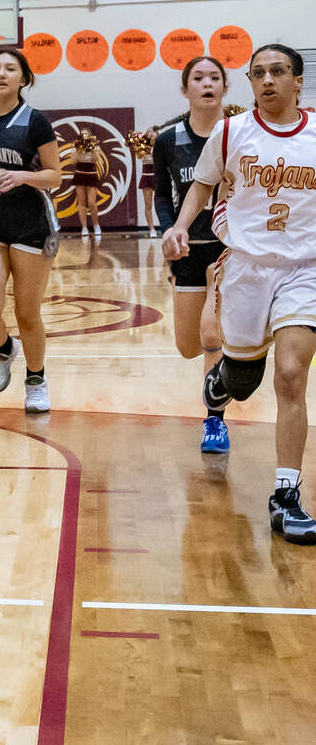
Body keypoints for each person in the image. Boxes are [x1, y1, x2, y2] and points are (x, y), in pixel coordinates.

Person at [164, 43, 316, 545]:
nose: (268, 80)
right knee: (246, 379)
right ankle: (224, 382)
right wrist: (180, 227)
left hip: (305, 270)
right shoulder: (232, 132)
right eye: (258, 73)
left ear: (298, 81)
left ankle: (286, 494)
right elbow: (202, 187)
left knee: (292, 376)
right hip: (248, 268)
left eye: (278, 72)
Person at [0, 46, 63, 413]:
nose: (1, 74)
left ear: (23, 78)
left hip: (31, 226)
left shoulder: (35, 121)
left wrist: (24, 176)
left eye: (10, 68)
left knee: (27, 313)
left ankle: (36, 380)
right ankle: (3, 349)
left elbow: (55, 176)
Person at [155, 56, 230, 452]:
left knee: (211, 334)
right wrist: (170, 228)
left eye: (214, 77)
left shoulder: (239, 134)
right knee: (188, 346)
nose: (207, 83)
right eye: (198, 78)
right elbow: (163, 198)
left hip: (226, 249)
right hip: (187, 252)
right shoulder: (168, 140)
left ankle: (214, 422)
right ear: (185, 90)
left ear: (224, 88)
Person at [71, 131, 105, 237]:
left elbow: (96, 159)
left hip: (91, 174)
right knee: (81, 202)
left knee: (92, 202)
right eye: (83, 135)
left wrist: (92, 148)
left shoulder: (96, 147)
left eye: (87, 135)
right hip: (80, 174)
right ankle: (84, 227)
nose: (85, 137)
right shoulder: (75, 147)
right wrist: (78, 149)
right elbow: (73, 161)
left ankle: (96, 225)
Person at [137, 128, 159, 236]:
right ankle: (152, 229)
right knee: (148, 205)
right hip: (146, 176)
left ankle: (165, 226)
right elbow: (138, 156)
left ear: (157, 134)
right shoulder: (142, 147)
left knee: (160, 203)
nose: (150, 133)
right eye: (148, 131)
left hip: (158, 176)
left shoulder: (160, 145)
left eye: (152, 131)